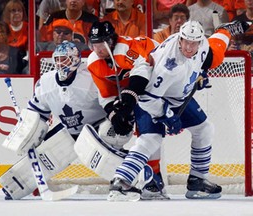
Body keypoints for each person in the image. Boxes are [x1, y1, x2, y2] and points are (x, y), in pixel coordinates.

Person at [107, 20, 250, 201]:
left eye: (194, 43)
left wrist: (199, 74)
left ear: (200, 42)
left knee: (204, 128)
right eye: (186, 42)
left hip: (175, 97)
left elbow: (212, 49)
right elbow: (147, 99)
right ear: (179, 40)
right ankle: (121, 181)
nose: (189, 47)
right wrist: (166, 115)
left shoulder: (204, 47)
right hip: (151, 98)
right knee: (151, 139)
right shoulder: (167, 66)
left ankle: (197, 180)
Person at [0, 41, 107, 200]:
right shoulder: (47, 82)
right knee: (46, 157)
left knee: (107, 153)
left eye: (65, 59)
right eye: (57, 59)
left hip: (97, 128)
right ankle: (16, 186)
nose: (60, 63)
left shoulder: (91, 77)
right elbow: (37, 112)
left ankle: (135, 180)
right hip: (70, 131)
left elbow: (110, 102)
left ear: (76, 59)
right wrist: (28, 130)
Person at [87, 21, 168, 200]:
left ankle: (153, 179)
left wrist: (129, 98)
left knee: (148, 128)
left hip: (157, 75)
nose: (97, 48)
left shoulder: (125, 48)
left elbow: (143, 69)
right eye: (94, 43)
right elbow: (105, 95)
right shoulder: (93, 62)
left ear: (111, 41)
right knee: (110, 131)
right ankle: (129, 173)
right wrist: (115, 115)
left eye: (101, 43)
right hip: (132, 86)